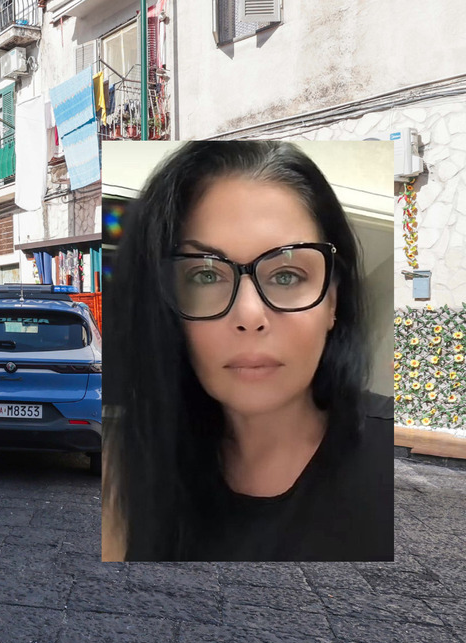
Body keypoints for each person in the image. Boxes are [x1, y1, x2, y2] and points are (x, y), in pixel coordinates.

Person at [103, 141, 393, 562]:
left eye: (288, 275)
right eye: (205, 275)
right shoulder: (129, 468)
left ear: (333, 301)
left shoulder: (392, 465)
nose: (250, 315)